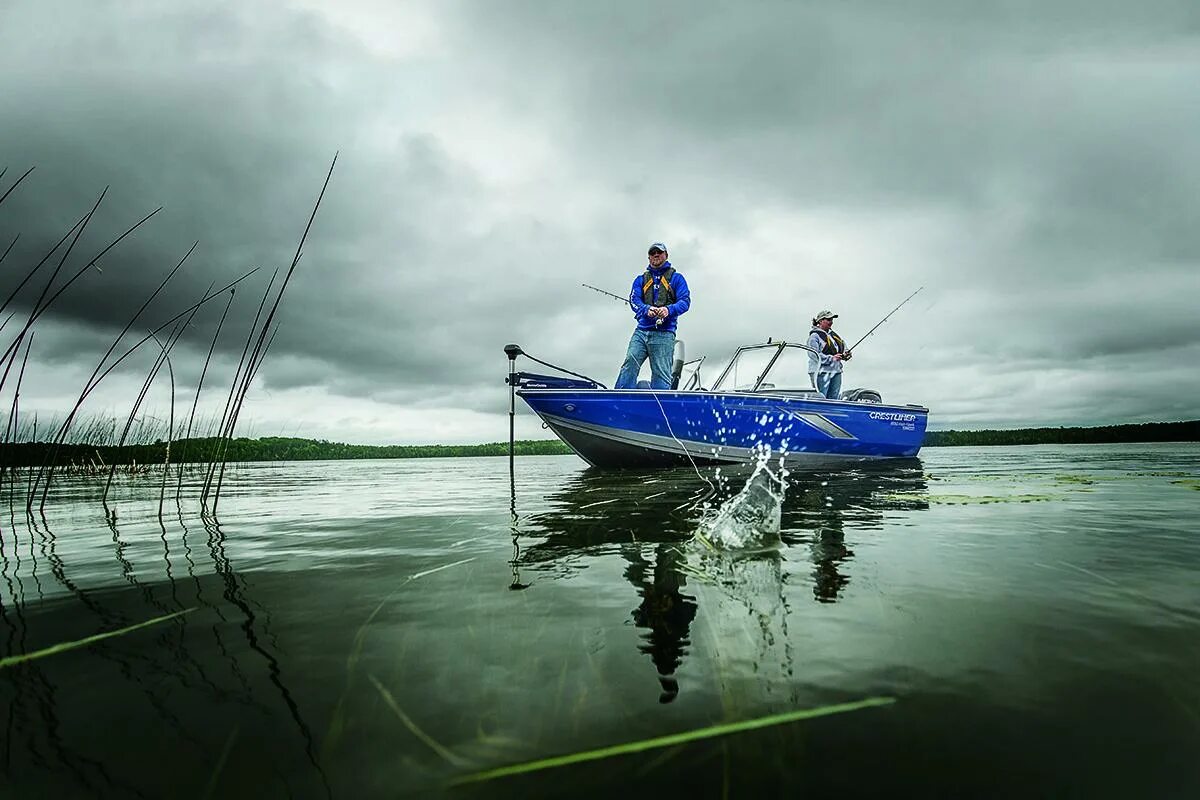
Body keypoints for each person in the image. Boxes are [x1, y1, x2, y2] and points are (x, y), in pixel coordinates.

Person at [614, 242, 691, 389]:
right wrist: (646, 309)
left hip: (665, 334)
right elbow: (634, 300)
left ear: (666, 255)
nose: (656, 254)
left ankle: (660, 405)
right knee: (630, 362)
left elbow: (685, 302)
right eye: (652, 253)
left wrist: (668, 310)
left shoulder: (677, 278)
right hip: (641, 332)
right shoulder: (640, 279)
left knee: (661, 374)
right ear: (649, 257)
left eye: (659, 252)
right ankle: (621, 397)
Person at [807, 309, 851, 399]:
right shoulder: (814, 336)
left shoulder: (834, 336)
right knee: (821, 398)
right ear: (820, 321)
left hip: (836, 371)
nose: (831, 322)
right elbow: (813, 354)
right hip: (821, 372)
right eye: (828, 319)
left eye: (831, 320)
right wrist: (831, 358)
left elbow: (843, 347)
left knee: (833, 399)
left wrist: (846, 354)